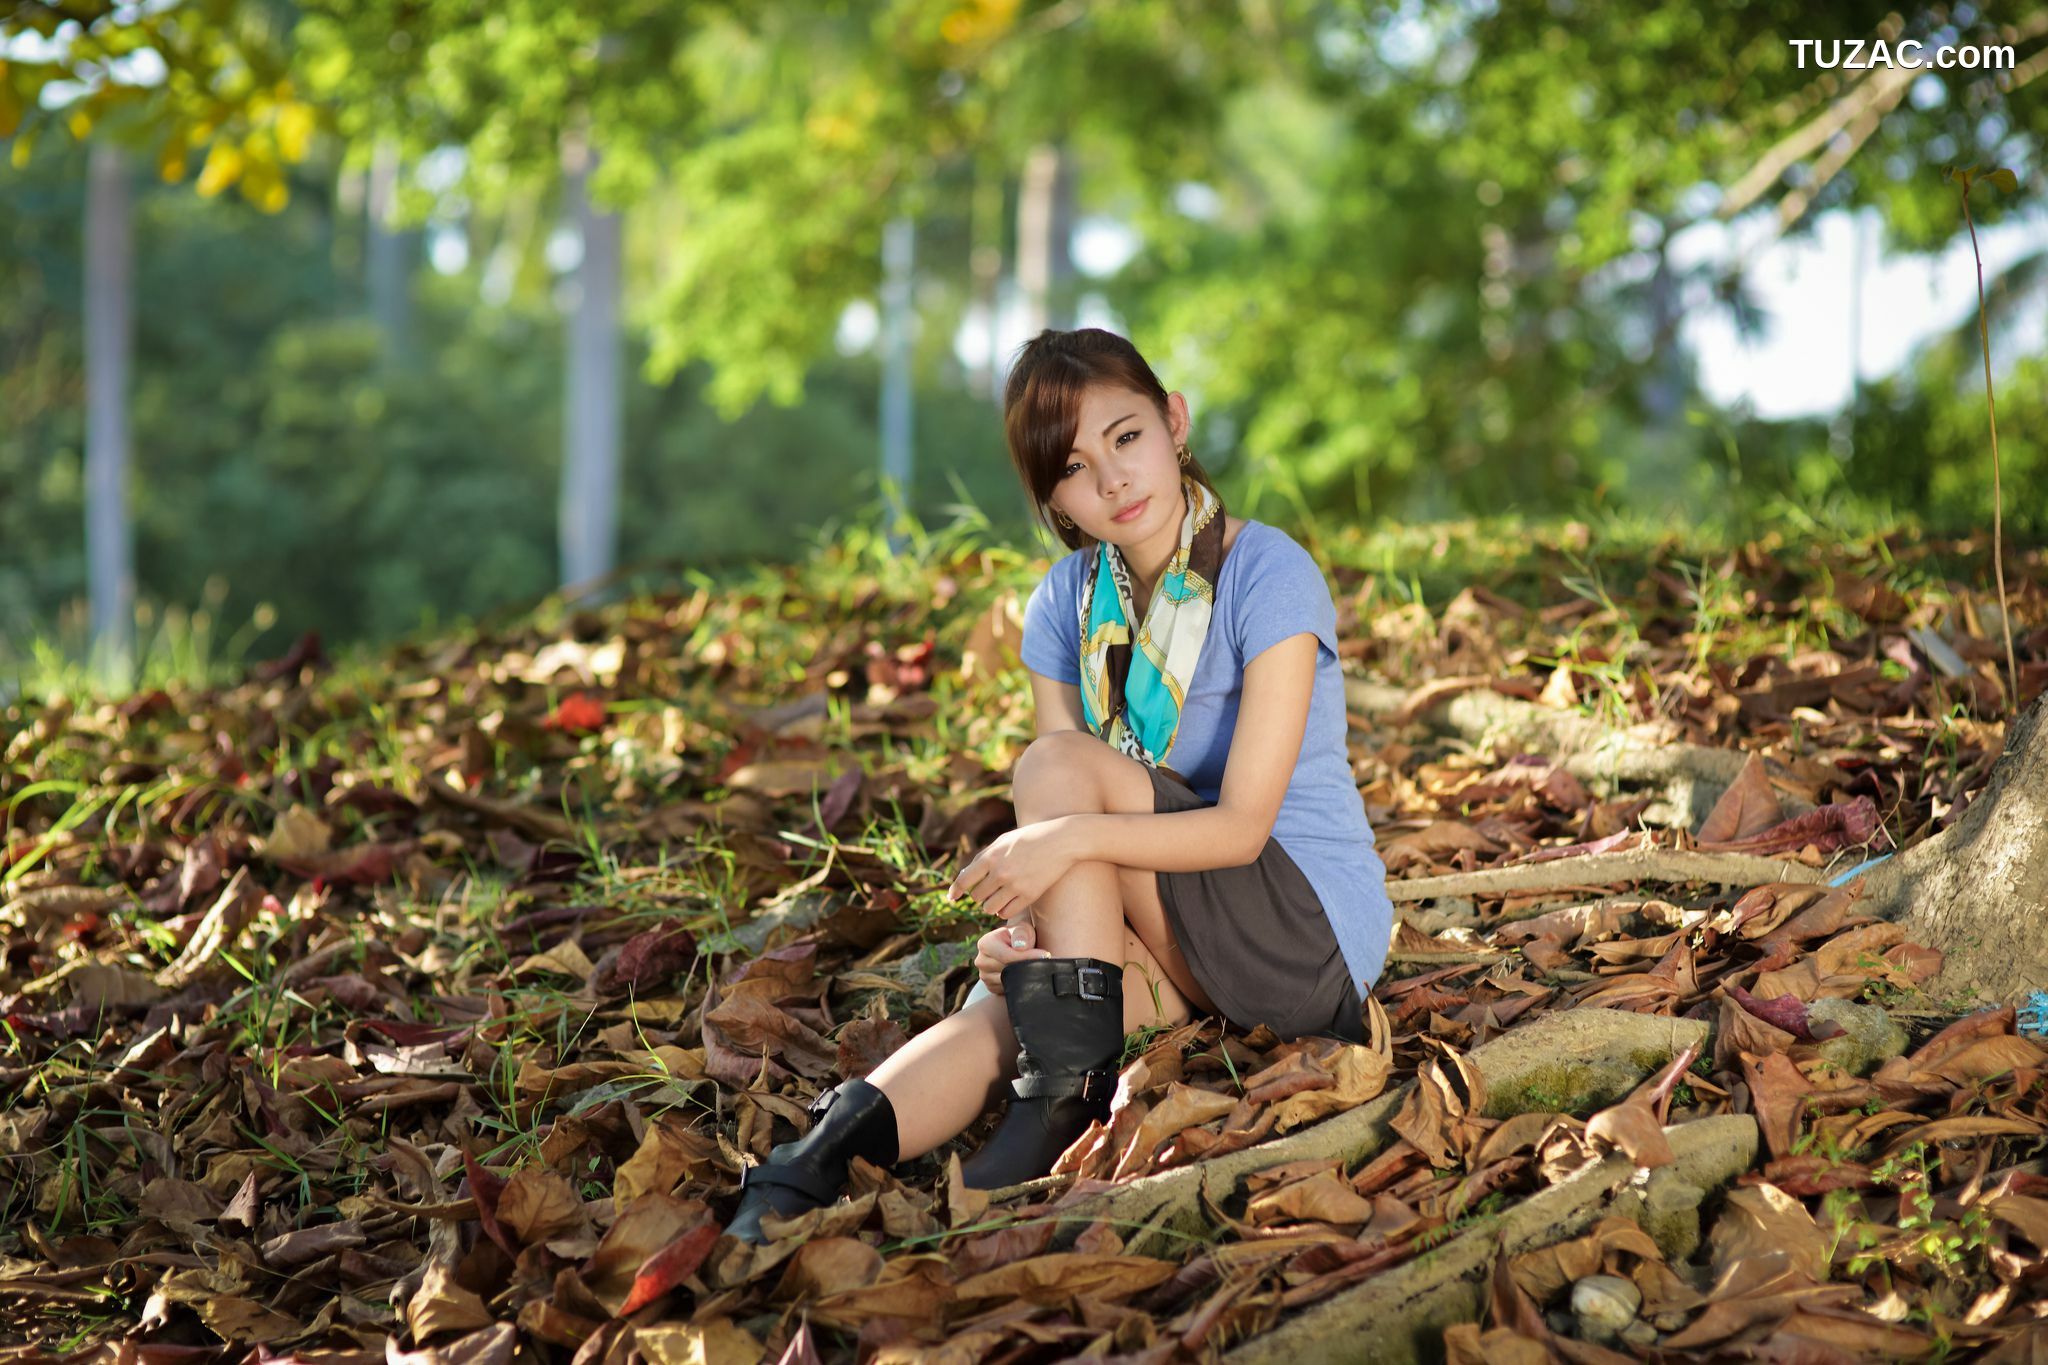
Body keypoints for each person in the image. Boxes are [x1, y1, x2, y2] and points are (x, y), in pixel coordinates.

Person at [727, 327, 1395, 1244]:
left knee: (1056, 775)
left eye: (1127, 437)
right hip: (1175, 929)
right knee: (1021, 1003)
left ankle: (1065, 1094)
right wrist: (1031, 931)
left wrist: (1065, 847)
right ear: (1055, 501)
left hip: (1300, 931)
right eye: (1076, 468)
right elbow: (1066, 826)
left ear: (1175, 423)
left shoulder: (1267, 573)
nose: (1114, 481)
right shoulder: (1065, 605)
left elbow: (1232, 827)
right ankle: (810, 1164)